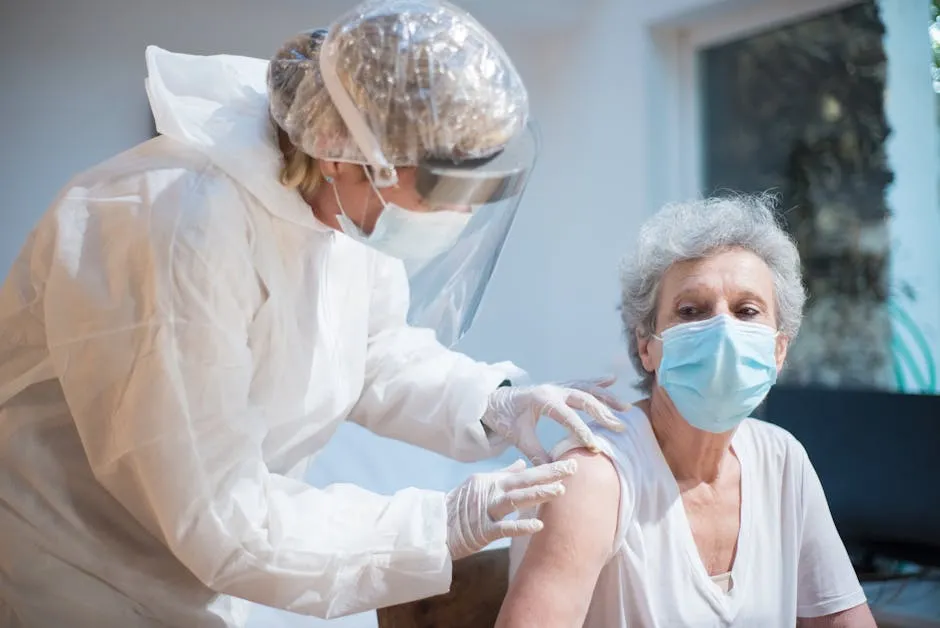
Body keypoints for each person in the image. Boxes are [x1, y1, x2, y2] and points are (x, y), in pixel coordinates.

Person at [0, 1, 628, 626]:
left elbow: (371, 352)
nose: (460, 215)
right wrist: (438, 524)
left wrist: (492, 402)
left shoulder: (343, 214)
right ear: (340, 151)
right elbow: (224, 517)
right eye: (443, 185)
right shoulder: (173, 226)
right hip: (69, 572)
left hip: (179, 576)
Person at [498, 195, 877, 628]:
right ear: (647, 346)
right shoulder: (596, 477)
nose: (722, 330)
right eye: (691, 311)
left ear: (778, 348)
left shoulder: (782, 460)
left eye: (747, 311)